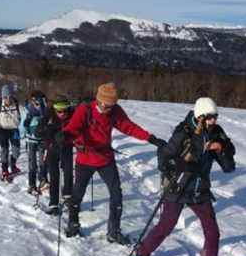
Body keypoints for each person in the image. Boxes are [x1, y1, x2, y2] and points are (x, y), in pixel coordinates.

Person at [130, 97, 236, 256]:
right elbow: (164, 158)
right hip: (178, 187)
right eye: (210, 117)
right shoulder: (183, 132)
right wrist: (179, 165)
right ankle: (142, 252)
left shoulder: (216, 133)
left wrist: (221, 149)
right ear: (200, 116)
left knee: (212, 231)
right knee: (166, 225)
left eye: (215, 117)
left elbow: (229, 167)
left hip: (199, 189)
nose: (214, 121)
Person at [59, 82, 166, 244]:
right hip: (85, 158)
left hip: (105, 159)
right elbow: (74, 128)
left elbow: (128, 127)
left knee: (116, 194)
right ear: (99, 100)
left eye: (113, 105)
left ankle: (114, 231)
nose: (110, 108)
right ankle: (73, 223)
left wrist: (151, 138)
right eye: (107, 105)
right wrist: (64, 136)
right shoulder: (85, 110)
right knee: (77, 193)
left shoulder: (115, 111)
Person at [38, 98, 74, 215]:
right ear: (54, 109)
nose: (62, 113)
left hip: (66, 148)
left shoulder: (72, 116)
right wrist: (50, 136)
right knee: (54, 175)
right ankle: (54, 203)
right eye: (59, 111)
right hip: (52, 149)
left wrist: (69, 137)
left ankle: (68, 196)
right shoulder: (49, 116)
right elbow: (38, 131)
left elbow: (78, 130)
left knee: (68, 172)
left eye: (64, 111)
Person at [0, 85, 21, 182]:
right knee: (4, 150)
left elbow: (20, 116)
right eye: (5, 97)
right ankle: (5, 169)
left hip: (14, 130)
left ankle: (13, 164)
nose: (7, 99)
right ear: (2, 97)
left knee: (16, 151)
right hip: (2, 130)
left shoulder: (16, 104)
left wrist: (18, 122)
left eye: (9, 96)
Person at [23, 92, 48, 195]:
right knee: (32, 163)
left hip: (42, 139)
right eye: (34, 101)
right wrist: (26, 124)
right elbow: (22, 126)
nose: (37, 103)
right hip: (31, 140)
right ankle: (32, 184)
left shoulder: (45, 110)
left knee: (43, 162)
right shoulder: (28, 109)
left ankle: (43, 180)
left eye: (39, 101)